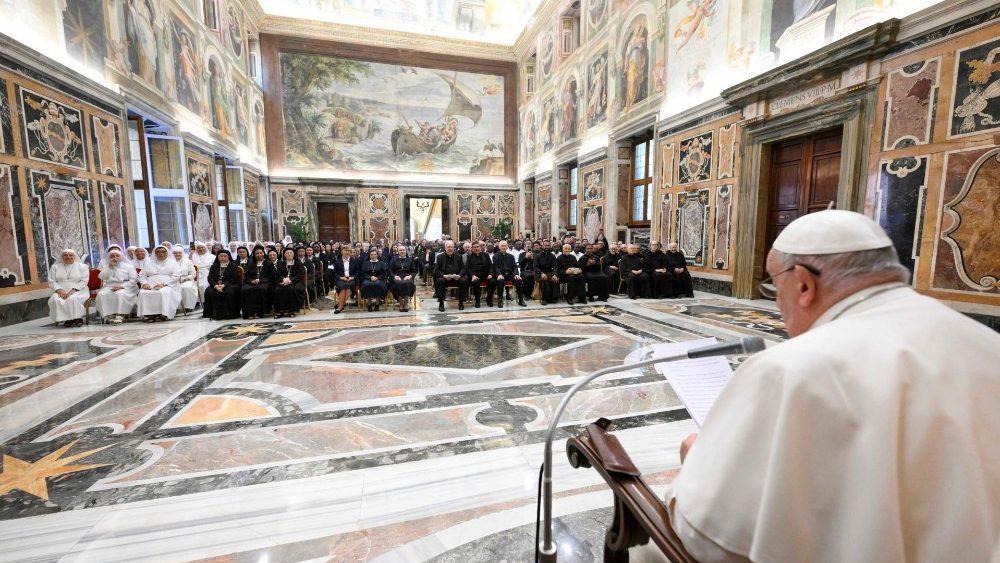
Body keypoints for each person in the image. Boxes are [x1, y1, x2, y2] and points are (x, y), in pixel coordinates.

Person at [630, 210, 1000, 563]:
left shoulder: (791, 368)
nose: (777, 302)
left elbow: (712, 537)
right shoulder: (987, 344)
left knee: (645, 552)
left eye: (775, 288)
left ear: (805, 285)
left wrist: (695, 465)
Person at [136, 245, 180, 322]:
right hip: (150, 284)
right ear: (155, 253)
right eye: (158, 252)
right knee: (143, 293)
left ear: (167, 253)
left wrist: (164, 284)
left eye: (163, 252)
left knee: (164, 292)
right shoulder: (148, 263)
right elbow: (141, 276)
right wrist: (145, 284)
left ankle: (163, 314)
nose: (161, 254)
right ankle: (149, 314)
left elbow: (176, 276)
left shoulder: (173, 263)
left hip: (168, 284)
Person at [47, 249, 90, 327]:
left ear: (75, 256)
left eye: (70, 255)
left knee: (72, 298)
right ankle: (67, 319)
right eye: (65, 255)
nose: (68, 257)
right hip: (60, 290)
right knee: (55, 300)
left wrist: (72, 290)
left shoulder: (82, 266)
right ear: (62, 257)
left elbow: (84, 280)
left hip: (79, 289)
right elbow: (51, 281)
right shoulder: (55, 267)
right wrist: (60, 291)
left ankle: (77, 318)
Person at [96, 249, 137, 324]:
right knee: (102, 294)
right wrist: (109, 267)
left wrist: (121, 287)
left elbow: (133, 280)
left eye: (117, 256)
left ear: (121, 257)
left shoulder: (129, 266)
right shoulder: (107, 266)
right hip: (110, 286)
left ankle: (120, 314)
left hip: (126, 286)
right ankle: (109, 315)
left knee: (119, 294)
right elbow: (101, 277)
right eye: (112, 256)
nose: (115, 258)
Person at [202, 249, 241, 320]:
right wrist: (215, 286)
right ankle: (214, 314)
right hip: (216, 284)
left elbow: (234, 278)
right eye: (221, 256)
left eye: (225, 256)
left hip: (230, 284)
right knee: (209, 291)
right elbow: (210, 278)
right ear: (218, 257)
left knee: (229, 292)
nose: (223, 258)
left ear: (228, 257)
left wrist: (224, 285)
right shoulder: (214, 266)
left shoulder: (233, 266)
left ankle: (229, 314)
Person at [433, 240, 468, 312]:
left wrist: (459, 275)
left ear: (454, 248)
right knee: (440, 281)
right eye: (448, 247)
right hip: (445, 278)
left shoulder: (459, 256)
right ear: (445, 248)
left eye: (451, 247)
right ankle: (441, 303)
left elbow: (463, 269)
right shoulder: (440, 257)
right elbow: (437, 270)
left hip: (456, 278)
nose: (450, 248)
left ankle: (461, 302)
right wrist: (444, 276)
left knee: (464, 281)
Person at [241, 246, 274, 319]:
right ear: (254, 254)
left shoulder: (269, 263)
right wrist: (251, 281)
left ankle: (260, 312)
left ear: (264, 253)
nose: (259, 255)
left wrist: (260, 280)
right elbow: (246, 277)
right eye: (257, 253)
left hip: (265, 282)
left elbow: (271, 276)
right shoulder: (250, 264)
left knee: (261, 289)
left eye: (261, 253)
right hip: (251, 282)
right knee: (245, 289)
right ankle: (249, 313)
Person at [492, 240, 526, 307]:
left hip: (510, 275)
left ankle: (521, 300)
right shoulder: (495, 256)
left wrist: (516, 274)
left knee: (518, 280)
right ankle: (500, 300)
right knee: (500, 280)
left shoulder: (511, 256)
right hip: (501, 275)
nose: (504, 247)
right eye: (502, 246)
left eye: (505, 246)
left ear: (507, 247)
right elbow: (495, 267)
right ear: (499, 247)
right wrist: (499, 274)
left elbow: (514, 266)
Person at [273, 248, 305, 318]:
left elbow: (299, 275)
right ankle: (280, 311)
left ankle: (292, 310)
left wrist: (290, 280)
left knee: (292, 290)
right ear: (284, 255)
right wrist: (283, 279)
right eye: (287, 253)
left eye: (291, 253)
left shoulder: (298, 263)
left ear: (294, 254)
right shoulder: (281, 263)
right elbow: (278, 274)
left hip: (296, 282)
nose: (289, 254)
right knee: (278, 290)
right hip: (283, 282)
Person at [331, 246, 360, 315]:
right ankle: (341, 305)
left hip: (351, 279)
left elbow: (357, 272)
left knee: (349, 285)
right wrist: (341, 278)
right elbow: (334, 273)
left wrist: (352, 278)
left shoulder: (354, 261)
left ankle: (340, 305)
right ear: (342, 252)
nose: (347, 252)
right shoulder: (337, 261)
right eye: (345, 250)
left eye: (348, 251)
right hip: (341, 279)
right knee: (343, 286)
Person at [465, 241, 495, 308]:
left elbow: (491, 266)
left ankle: (489, 299)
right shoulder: (469, 256)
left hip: (485, 275)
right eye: (474, 247)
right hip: (475, 276)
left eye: (478, 247)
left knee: (493, 281)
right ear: (472, 248)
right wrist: (472, 276)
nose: (476, 248)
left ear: (480, 247)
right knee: (475, 282)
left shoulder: (486, 255)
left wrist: (490, 274)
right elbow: (467, 268)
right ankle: (477, 301)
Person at [389, 245, 417, 312]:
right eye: (400, 250)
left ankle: (406, 302)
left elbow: (414, 271)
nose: (402, 251)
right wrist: (394, 276)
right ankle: (401, 303)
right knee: (398, 283)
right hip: (397, 276)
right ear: (398, 251)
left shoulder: (410, 260)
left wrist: (410, 276)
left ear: (406, 251)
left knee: (407, 283)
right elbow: (390, 271)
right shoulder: (393, 260)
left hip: (407, 276)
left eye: (403, 250)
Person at [172, 246, 199, 313]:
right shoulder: (169, 262)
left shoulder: (187, 261)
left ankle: (188, 306)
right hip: (172, 281)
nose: (177, 254)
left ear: (182, 253)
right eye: (175, 253)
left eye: (179, 253)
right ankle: (174, 307)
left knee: (186, 288)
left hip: (186, 280)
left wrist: (185, 279)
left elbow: (193, 274)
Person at [534, 240, 559, 305]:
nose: (546, 247)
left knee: (554, 279)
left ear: (550, 246)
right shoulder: (538, 256)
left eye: (548, 245)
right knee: (545, 279)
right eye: (545, 245)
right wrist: (541, 273)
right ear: (542, 246)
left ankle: (553, 298)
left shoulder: (552, 256)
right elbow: (536, 267)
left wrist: (554, 274)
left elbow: (555, 266)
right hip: (540, 274)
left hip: (550, 273)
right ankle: (544, 298)